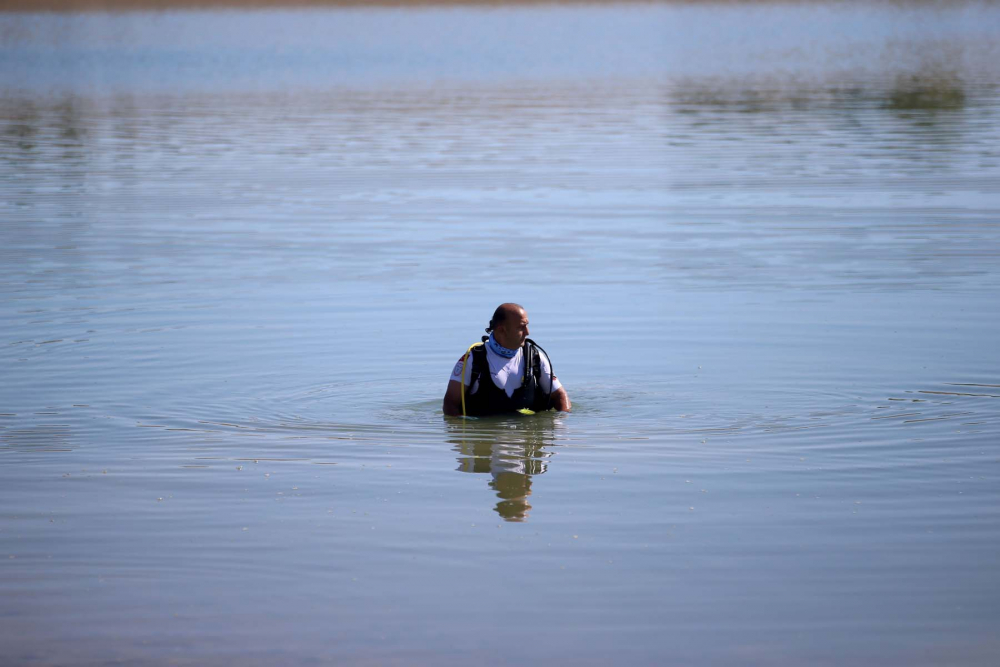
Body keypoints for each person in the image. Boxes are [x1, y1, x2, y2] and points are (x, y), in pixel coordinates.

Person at [442, 303, 571, 417]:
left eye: (527, 326)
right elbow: (450, 403)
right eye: (521, 327)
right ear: (501, 330)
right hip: (485, 438)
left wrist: (560, 425)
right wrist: (462, 432)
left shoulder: (535, 358)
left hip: (527, 442)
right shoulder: (472, 359)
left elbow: (560, 396)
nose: (527, 332)